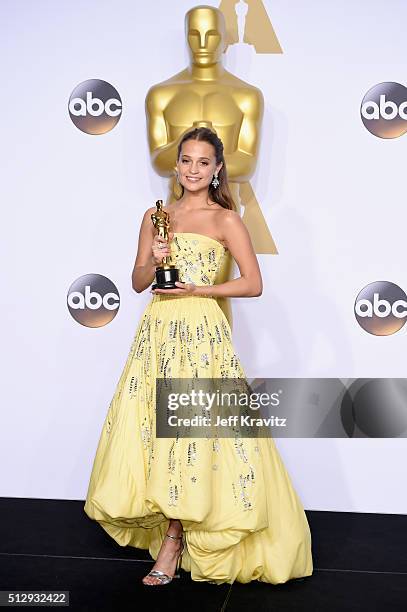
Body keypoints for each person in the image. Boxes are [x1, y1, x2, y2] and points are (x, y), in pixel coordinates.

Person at [83, 127, 313, 587]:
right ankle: (170, 532)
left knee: (194, 435)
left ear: (217, 169)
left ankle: (174, 541)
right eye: (186, 160)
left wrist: (200, 288)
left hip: (204, 335)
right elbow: (136, 280)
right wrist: (156, 258)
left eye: (203, 162)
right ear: (177, 165)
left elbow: (253, 282)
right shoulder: (156, 216)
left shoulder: (226, 219)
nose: (192, 169)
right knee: (155, 433)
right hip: (158, 331)